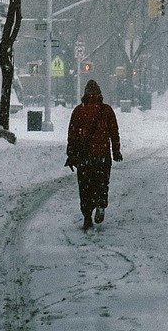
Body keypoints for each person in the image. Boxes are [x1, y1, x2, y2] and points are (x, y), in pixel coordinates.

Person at [64, 79, 122, 230]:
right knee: (102, 182)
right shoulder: (106, 110)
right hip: (102, 156)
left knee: (85, 187)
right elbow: (114, 132)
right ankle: (101, 203)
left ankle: (87, 216)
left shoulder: (78, 111)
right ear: (99, 94)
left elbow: (72, 134)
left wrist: (71, 154)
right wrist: (116, 151)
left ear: (85, 94)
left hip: (85, 158)